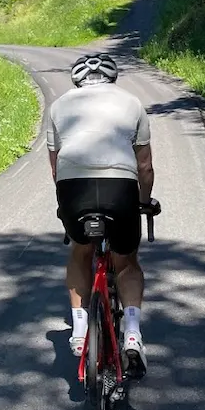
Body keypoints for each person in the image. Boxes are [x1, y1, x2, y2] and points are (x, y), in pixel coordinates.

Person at [47, 52, 157, 375]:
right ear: (111, 78)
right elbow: (145, 166)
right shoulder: (132, 103)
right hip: (119, 188)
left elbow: (56, 168)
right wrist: (144, 202)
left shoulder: (59, 106)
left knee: (81, 253)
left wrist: (67, 204)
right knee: (126, 262)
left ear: (77, 80)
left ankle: (80, 329)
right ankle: (133, 333)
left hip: (74, 189)